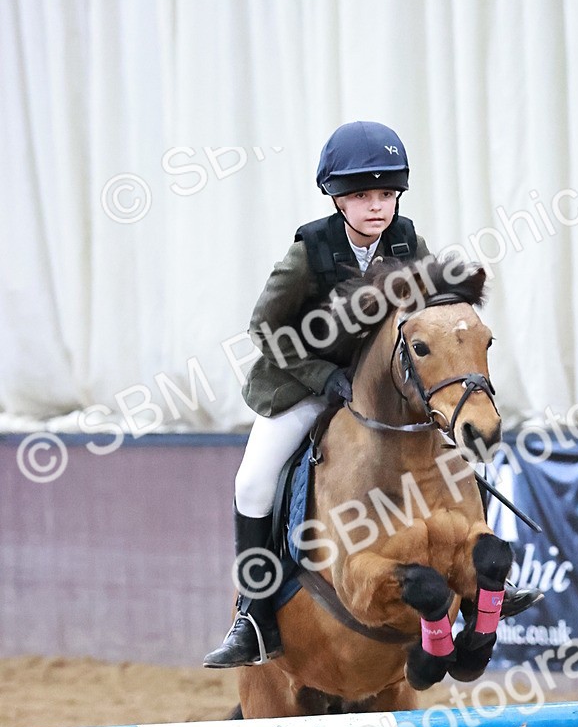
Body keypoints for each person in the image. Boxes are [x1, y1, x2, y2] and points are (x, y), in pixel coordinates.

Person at [204, 120, 538, 669]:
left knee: (450, 451)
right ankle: (255, 615)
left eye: (386, 194)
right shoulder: (308, 253)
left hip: (381, 390)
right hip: (303, 383)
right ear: (337, 199)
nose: (376, 207)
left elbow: (430, 321)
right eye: (362, 196)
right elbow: (264, 330)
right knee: (253, 481)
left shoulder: (409, 241)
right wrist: (321, 378)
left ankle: (484, 581)